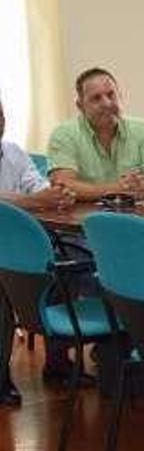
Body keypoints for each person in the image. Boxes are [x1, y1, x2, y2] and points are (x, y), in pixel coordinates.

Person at [0, 97, 76, 407]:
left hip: (16, 246)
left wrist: (55, 194)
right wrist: (36, 202)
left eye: (0, 114)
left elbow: (35, 185)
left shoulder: (14, 152)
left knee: (61, 268)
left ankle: (58, 364)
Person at [47, 67, 144, 201]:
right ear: (80, 106)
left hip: (135, 215)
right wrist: (118, 190)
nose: (107, 103)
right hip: (85, 217)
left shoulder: (141, 129)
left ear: (120, 96)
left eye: (111, 95)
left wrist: (140, 189)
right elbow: (64, 186)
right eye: (96, 98)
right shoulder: (64, 135)